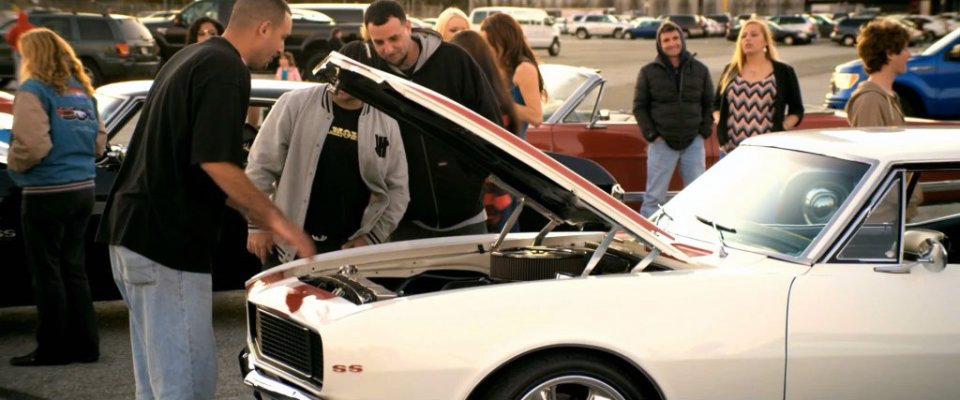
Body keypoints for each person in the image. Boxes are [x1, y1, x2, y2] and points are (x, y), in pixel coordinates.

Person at [95, 0, 314, 398]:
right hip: (167, 246)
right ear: (264, 28)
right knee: (187, 386)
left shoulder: (191, 56)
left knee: (159, 385)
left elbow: (198, 164)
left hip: (129, 237)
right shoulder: (226, 69)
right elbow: (217, 162)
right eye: (282, 36)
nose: (281, 49)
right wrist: (277, 221)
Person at [340, 0, 501, 240]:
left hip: (465, 215)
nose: (388, 49)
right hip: (402, 220)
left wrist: (468, 177)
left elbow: (490, 122)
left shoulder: (454, 60)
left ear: (408, 26)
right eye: (379, 42)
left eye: (394, 38)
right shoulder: (371, 72)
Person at [6, 28, 105, 367]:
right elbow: (98, 144)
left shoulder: (34, 91)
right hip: (83, 189)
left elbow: (33, 146)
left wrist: (14, 167)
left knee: (46, 272)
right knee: (74, 269)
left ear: (33, 56)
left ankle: (51, 349)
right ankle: (85, 345)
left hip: (46, 191)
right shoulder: (82, 93)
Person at [245, 80, 408, 268]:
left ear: (366, 80)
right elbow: (261, 165)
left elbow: (398, 189)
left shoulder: (386, 121)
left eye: (347, 79)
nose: (337, 84)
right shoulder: (295, 103)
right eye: (333, 75)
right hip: (286, 247)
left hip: (347, 253)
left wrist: (372, 238)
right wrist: (257, 224)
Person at [633, 21, 714, 218]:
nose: (672, 43)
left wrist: (703, 131)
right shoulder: (648, 72)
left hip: (693, 143)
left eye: (675, 38)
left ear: (682, 40)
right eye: (666, 40)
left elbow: (709, 103)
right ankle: (648, 240)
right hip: (662, 144)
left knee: (697, 194)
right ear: (660, 44)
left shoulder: (700, 70)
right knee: (654, 197)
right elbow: (639, 107)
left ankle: (695, 239)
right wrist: (652, 135)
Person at [449, 29, 520, 232]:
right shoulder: (499, 97)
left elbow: (490, 163)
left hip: (490, 205)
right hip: (500, 200)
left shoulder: (486, 106)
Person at [714, 19, 803, 153]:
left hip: (766, 152)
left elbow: (796, 110)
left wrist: (781, 128)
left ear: (766, 41)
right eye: (743, 36)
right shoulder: (730, 70)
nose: (747, 39)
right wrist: (721, 123)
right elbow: (715, 105)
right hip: (730, 151)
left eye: (754, 35)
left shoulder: (783, 71)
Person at [481, 12, 544, 140]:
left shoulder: (524, 69)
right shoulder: (492, 67)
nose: (486, 49)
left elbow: (536, 117)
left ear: (503, 41)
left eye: (489, 44)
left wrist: (500, 102)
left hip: (511, 149)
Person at [846, 19, 911, 127]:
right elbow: (870, 143)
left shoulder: (888, 96)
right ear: (889, 53)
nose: (909, 55)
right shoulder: (870, 100)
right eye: (904, 49)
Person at [5, 10, 35, 83]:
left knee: (19, 69)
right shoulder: (31, 27)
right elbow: (36, 39)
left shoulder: (15, 28)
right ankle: (29, 83)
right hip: (29, 51)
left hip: (18, 51)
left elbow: (9, 38)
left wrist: (13, 45)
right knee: (29, 68)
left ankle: (20, 84)